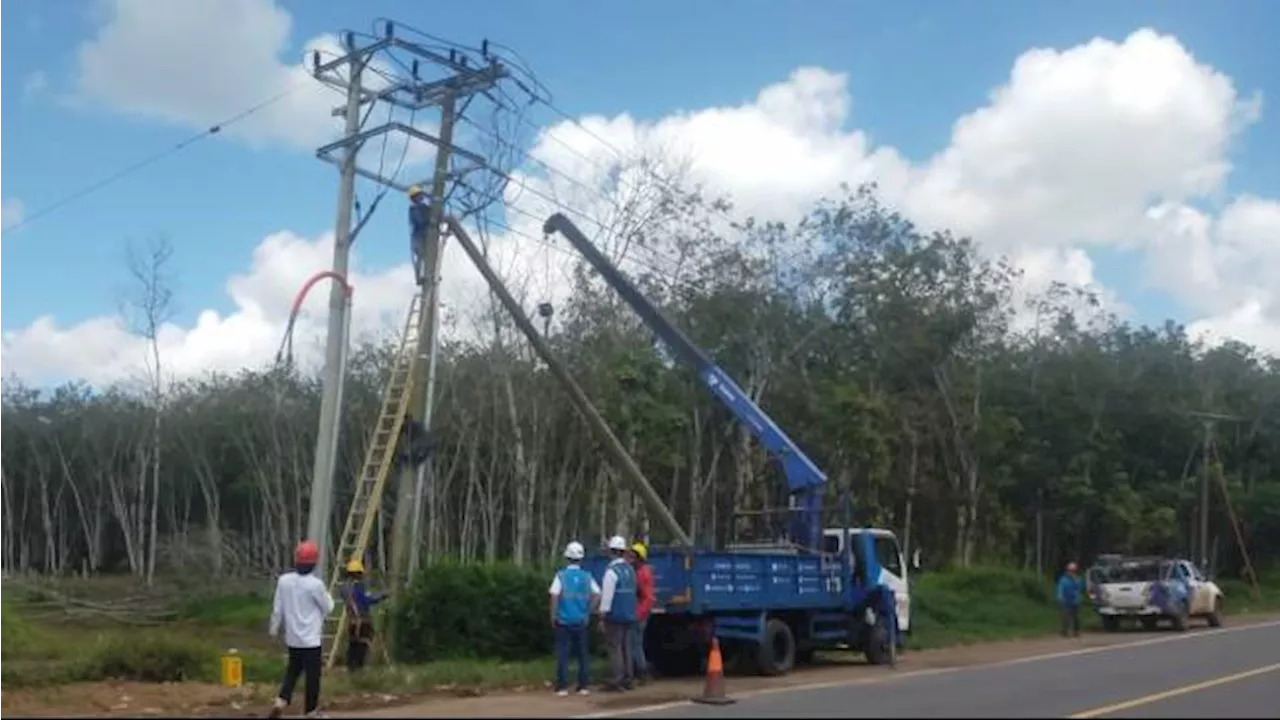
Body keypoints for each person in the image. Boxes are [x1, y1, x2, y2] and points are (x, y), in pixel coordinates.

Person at [268, 540, 335, 719]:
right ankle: (311, 711)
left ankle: (281, 701)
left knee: (293, 671)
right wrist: (327, 594)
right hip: (311, 640)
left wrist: (274, 630)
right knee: (312, 677)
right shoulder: (315, 585)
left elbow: (277, 609)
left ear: (296, 560)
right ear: (314, 563)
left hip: (293, 638)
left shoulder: (284, 581)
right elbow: (328, 607)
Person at [548, 541, 600, 697]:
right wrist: (588, 611)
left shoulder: (561, 576)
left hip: (563, 621)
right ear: (581, 558)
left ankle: (562, 686)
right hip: (581, 621)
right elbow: (597, 594)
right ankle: (583, 686)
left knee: (563, 654)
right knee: (582, 654)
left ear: (567, 557)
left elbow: (554, 596)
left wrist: (553, 615)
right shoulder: (587, 576)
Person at [598, 535, 637, 692]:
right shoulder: (630, 570)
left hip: (615, 615)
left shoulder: (611, 572)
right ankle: (628, 678)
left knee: (615, 647)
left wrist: (602, 615)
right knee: (626, 647)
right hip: (629, 613)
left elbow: (607, 596)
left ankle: (617, 679)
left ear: (611, 552)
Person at [341, 558, 387, 673]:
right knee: (362, 647)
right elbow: (366, 601)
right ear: (357, 574)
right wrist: (381, 595)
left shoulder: (344, 588)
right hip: (362, 622)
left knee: (352, 647)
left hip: (352, 622)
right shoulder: (356, 588)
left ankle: (351, 671)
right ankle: (358, 672)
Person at [629, 541, 654, 685]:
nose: (631, 559)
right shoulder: (639, 571)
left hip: (639, 615)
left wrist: (638, 615)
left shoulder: (643, 573)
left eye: (633, 557)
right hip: (638, 613)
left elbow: (647, 597)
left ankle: (641, 671)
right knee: (635, 644)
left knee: (635, 644)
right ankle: (639, 671)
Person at [407, 186, 431, 286]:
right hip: (418, 236)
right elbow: (419, 221)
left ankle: (429, 274)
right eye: (419, 195)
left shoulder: (424, 207)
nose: (421, 197)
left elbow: (435, 212)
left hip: (425, 236)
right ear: (414, 197)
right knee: (421, 256)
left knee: (427, 256)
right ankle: (420, 277)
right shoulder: (414, 209)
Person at [1057, 561, 1085, 637]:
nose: (1072, 572)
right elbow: (1060, 588)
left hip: (1075, 600)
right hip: (1066, 600)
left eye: (1073, 570)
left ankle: (1076, 631)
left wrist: (1075, 581)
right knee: (1065, 616)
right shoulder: (1063, 579)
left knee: (1076, 617)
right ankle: (1064, 631)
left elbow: (1080, 588)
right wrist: (1060, 597)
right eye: (1070, 570)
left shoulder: (1077, 579)